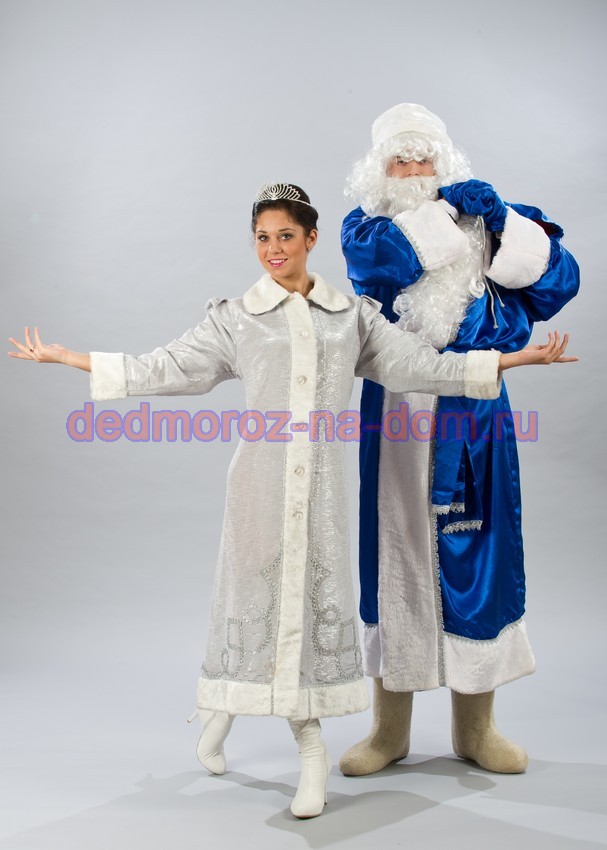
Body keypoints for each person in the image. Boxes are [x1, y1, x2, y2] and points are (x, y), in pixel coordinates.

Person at [9, 182, 574, 817]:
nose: (273, 249)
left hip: (324, 494)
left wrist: (509, 361)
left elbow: (421, 366)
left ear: (310, 238)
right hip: (258, 489)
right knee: (248, 604)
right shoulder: (237, 318)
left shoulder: (351, 316)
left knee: (312, 607)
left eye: (285, 236)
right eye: (262, 238)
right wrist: (72, 359)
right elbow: (165, 368)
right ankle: (220, 710)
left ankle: (311, 744)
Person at [340, 104, 580, 776]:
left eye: (425, 158)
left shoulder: (489, 223)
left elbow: (558, 284)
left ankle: (476, 729)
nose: (414, 170)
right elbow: (381, 263)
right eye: (401, 159)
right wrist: (445, 214)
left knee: (477, 554)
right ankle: (388, 731)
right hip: (397, 411)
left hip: (474, 410)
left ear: (445, 162)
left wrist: (500, 221)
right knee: (396, 554)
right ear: (381, 170)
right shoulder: (369, 226)